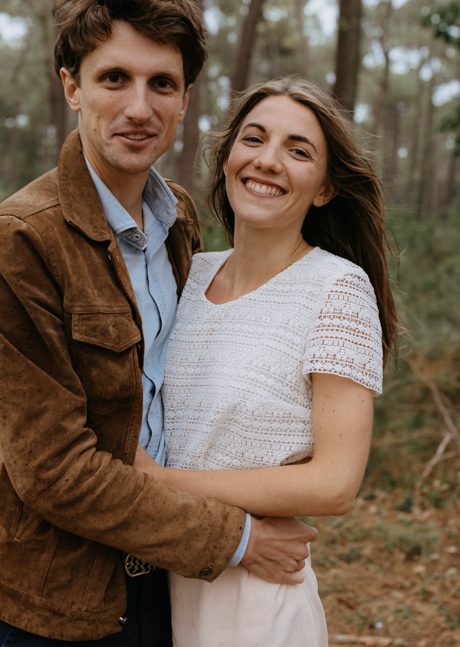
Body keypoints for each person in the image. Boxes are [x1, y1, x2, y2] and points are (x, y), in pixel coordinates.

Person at [0, 0, 317, 645]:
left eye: (162, 84)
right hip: (39, 604)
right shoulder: (19, 241)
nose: (139, 108)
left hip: (163, 592)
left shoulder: (179, 219)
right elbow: (54, 471)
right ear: (72, 88)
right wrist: (234, 537)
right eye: (114, 78)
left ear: (184, 103)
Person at [133, 76, 399, 646]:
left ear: (325, 188)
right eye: (254, 139)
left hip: (258, 592)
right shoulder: (193, 272)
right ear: (228, 158)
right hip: (171, 580)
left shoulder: (337, 288)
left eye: (298, 150)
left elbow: (335, 484)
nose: (269, 161)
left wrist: (160, 482)